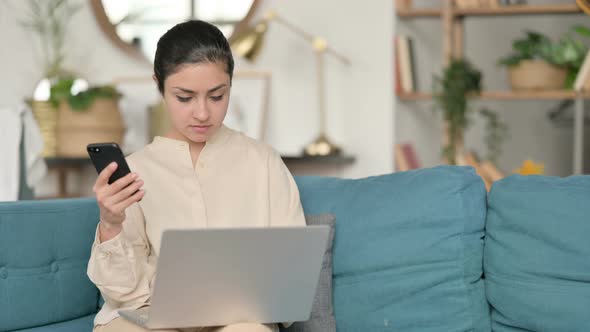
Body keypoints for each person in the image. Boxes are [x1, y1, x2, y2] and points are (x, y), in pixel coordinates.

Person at [87, 20, 306, 332]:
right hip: (151, 316)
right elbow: (124, 294)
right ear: (158, 85)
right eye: (185, 97)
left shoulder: (264, 162)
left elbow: (290, 278)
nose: (203, 113)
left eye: (217, 96)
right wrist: (111, 223)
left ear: (231, 84)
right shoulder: (135, 171)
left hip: (238, 319)